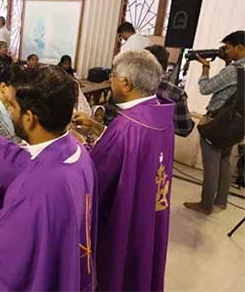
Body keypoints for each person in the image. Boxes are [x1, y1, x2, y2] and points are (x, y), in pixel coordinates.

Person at [0, 67, 96, 291]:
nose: (10, 111)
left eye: (12, 106)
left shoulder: (40, 186)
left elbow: (10, 248)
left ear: (29, 118)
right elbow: (18, 160)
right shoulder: (73, 151)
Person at [72, 50, 174, 291]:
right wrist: (97, 127)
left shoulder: (127, 126)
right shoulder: (159, 113)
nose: (110, 80)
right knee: (144, 262)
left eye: (113, 75)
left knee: (120, 268)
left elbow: (97, 175)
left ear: (126, 83)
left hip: (126, 216)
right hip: (151, 209)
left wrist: (79, 144)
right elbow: (134, 154)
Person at [185, 30, 245, 214]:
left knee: (211, 164)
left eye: (228, 48)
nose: (225, 51)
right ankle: (221, 202)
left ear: (240, 48)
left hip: (218, 123)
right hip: (237, 124)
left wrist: (205, 68)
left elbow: (205, 88)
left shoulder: (233, 71)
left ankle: (205, 205)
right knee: (225, 160)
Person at [104, 45, 195, 137]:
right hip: (158, 144)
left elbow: (108, 119)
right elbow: (184, 129)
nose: (111, 79)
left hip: (117, 138)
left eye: (113, 74)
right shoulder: (176, 93)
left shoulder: (123, 85)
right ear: (165, 65)